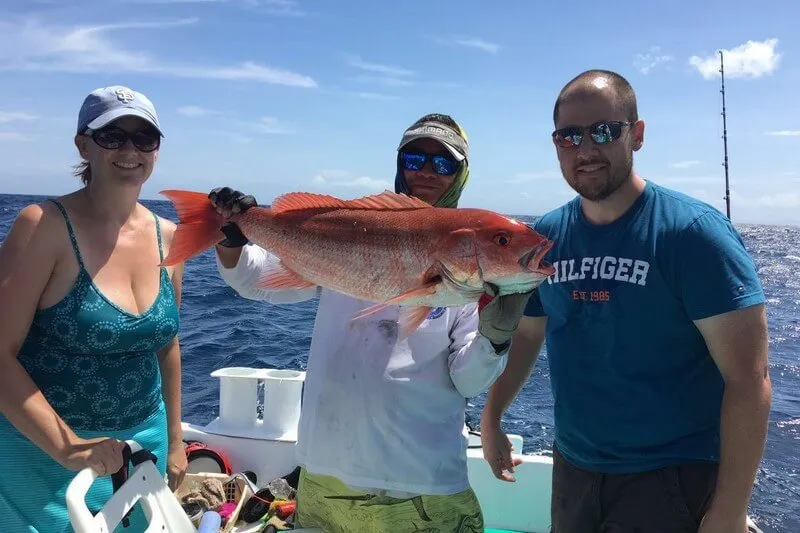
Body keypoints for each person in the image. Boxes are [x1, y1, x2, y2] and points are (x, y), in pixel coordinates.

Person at [209, 113, 532, 533]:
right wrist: (233, 239)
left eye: (444, 163)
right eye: (415, 159)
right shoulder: (356, 227)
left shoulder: (475, 279)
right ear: (399, 165)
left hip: (422, 485)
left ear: (461, 173)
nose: (428, 172)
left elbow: (469, 380)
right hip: (326, 473)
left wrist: (496, 335)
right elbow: (254, 279)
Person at [480, 70, 771, 533]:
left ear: (636, 135)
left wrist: (730, 510)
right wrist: (492, 417)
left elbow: (748, 380)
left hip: (671, 479)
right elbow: (529, 333)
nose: (586, 149)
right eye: (569, 136)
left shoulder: (693, 235)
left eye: (603, 131)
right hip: (574, 469)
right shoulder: (546, 239)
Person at [0, 85, 187, 532]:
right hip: (45, 455)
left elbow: (167, 347)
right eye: (112, 136)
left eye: (145, 139)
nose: (130, 150)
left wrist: (177, 440)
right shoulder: (42, 226)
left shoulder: (171, 236)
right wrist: (69, 448)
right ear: (83, 143)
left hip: (145, 445)